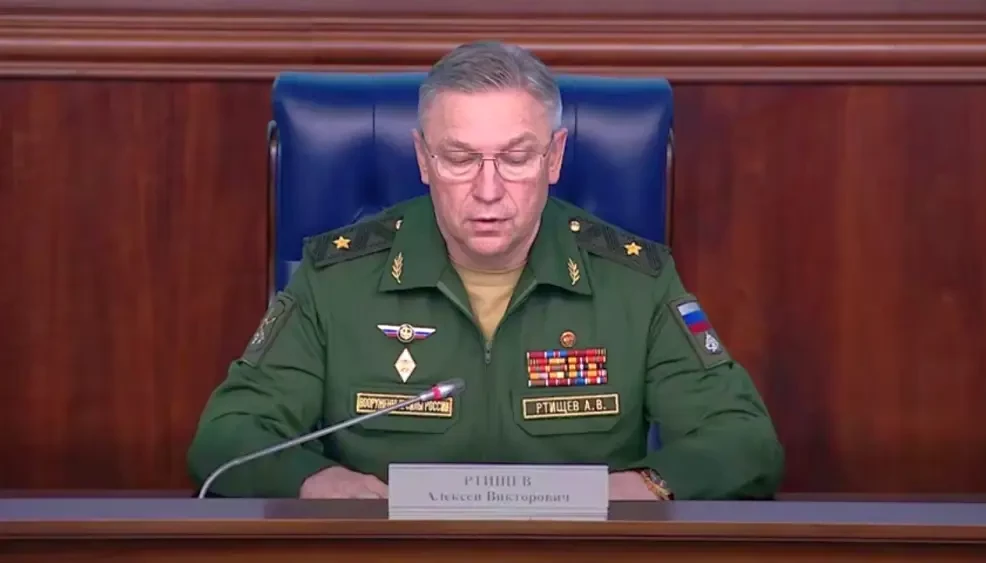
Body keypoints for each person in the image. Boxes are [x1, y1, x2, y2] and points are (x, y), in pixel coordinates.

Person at [187, 41, 784, 501]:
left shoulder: (636, 281)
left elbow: (744, 440)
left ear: (554, 157)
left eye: (516, 157)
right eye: (460, 158)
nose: (489, 190)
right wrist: (313, 480)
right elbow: (228, 435)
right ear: (423, 159)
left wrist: (646, 485)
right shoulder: (336, 278)